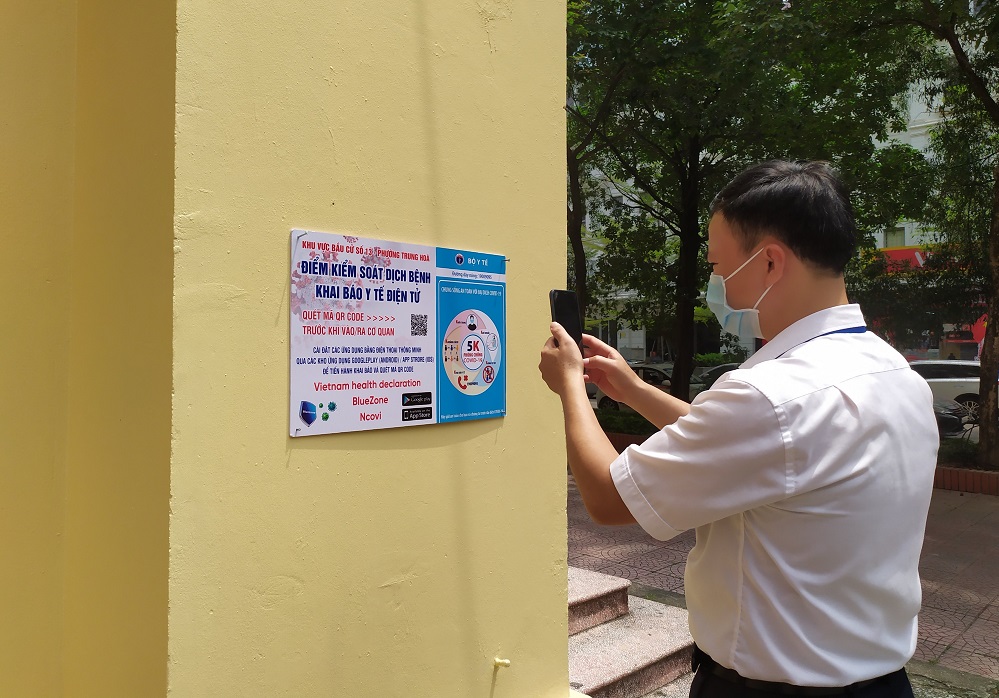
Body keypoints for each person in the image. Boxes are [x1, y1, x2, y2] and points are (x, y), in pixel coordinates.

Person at [539, 161, 937, 697]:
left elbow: (610, 499)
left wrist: (570, 385)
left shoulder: (771, 394)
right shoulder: (895, 373)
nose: (717, 283)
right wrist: (632, 390)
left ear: (770, 261)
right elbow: (761, 449)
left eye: (719, 266)